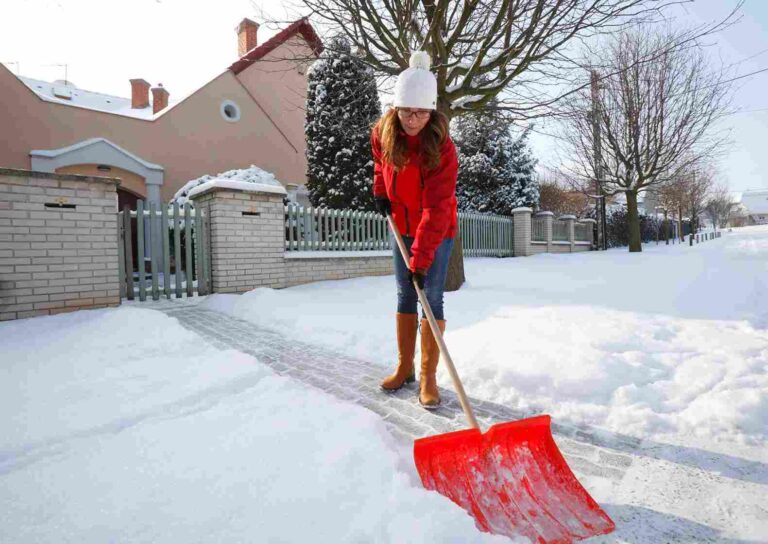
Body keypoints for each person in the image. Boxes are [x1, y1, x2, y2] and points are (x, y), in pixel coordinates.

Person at [370, 51, 458, 409]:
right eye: (407, 110)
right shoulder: (383, 133)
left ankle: (428, 377)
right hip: (401, 226)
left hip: (436, 231)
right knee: (404, 295)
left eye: (421, 111)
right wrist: (380, 192)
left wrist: (421, 261)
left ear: (432, 111)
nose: (413, 118)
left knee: (430, 297)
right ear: (396, 108)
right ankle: (405, 368)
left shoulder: (442, 148)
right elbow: (379, 165)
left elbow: (436, 209)